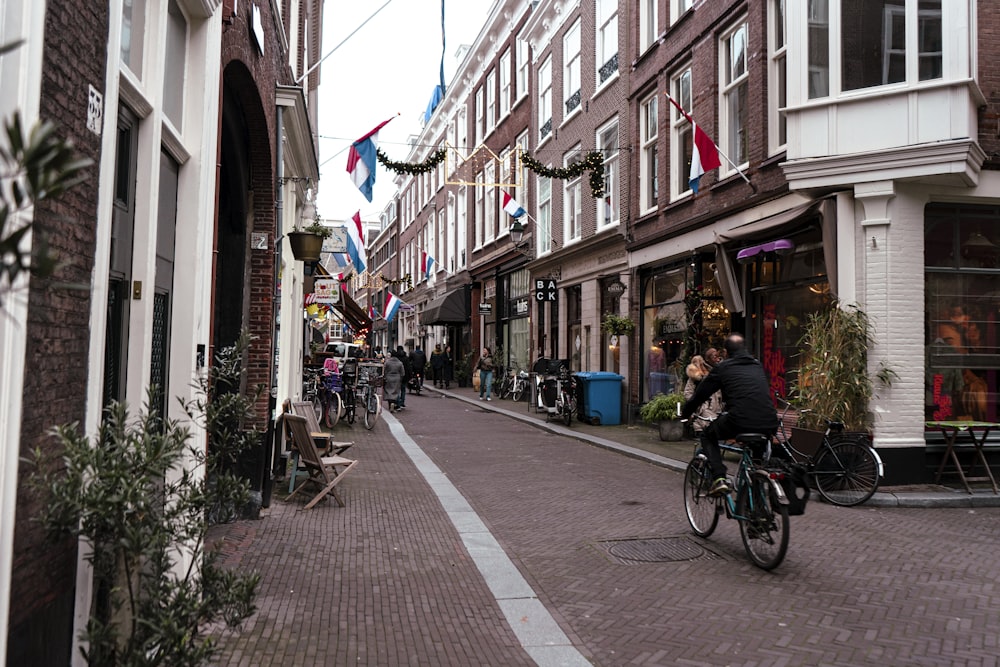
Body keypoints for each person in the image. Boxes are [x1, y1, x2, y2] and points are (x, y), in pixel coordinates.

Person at [681, 334, 778, 496]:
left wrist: (685, 414)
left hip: (739, 419)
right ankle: (756, 499)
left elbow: (700, 395)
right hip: (769, 421)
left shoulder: (723, 368)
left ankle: (719, 478)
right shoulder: (757, 365)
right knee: (755, 463)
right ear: (745, 348)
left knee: (707, 436)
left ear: (726, 352)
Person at [683, 355, 722, 434]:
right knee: (706, 426)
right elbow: (688, 393)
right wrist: (698, 404)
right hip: (704, 407)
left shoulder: (710, 374)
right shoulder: (694, 378)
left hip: (715, 405)